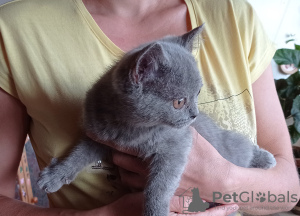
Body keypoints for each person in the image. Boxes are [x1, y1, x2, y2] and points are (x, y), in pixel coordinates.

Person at [0, 0, 299, 215]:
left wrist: (224, 184)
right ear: (139, 75)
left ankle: (252, 155)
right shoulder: (13, 28)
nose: (194, 111)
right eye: (181, 102)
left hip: (223, 173)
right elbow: (98, 141)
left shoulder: (234, 13)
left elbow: (288, 194)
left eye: (194, 97)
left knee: (232, 146)